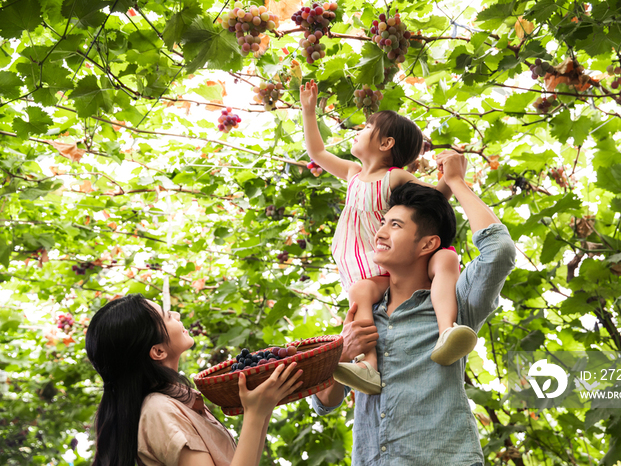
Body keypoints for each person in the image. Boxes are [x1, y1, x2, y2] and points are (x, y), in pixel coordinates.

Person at [311, 151, 517, 465]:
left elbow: (499, 250)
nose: (379, 233)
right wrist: (339, 354)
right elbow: (324, 404)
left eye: (395, 225)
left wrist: (456, 183)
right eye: (382, 223)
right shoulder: (364, 308)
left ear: (427, 244)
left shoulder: (456, 304)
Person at [300, 79, 477, 395]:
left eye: (367, 127)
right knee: (360, 294)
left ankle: (446, 331)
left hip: (386, 267)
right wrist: (309, 111)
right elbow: (317, 151)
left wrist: (451, 180)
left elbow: (431, 203)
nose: (359, 129)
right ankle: (368, 366)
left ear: (385, 144)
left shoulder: (394, 177)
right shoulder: (354, 174)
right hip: (360, 268)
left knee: (371, 289)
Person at [85, 294, 304, 466]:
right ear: (158, 351)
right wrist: (255, 414)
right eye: (167, 316)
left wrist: (262, 407)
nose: (177, 314)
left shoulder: (178, 402)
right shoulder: (159, 411)